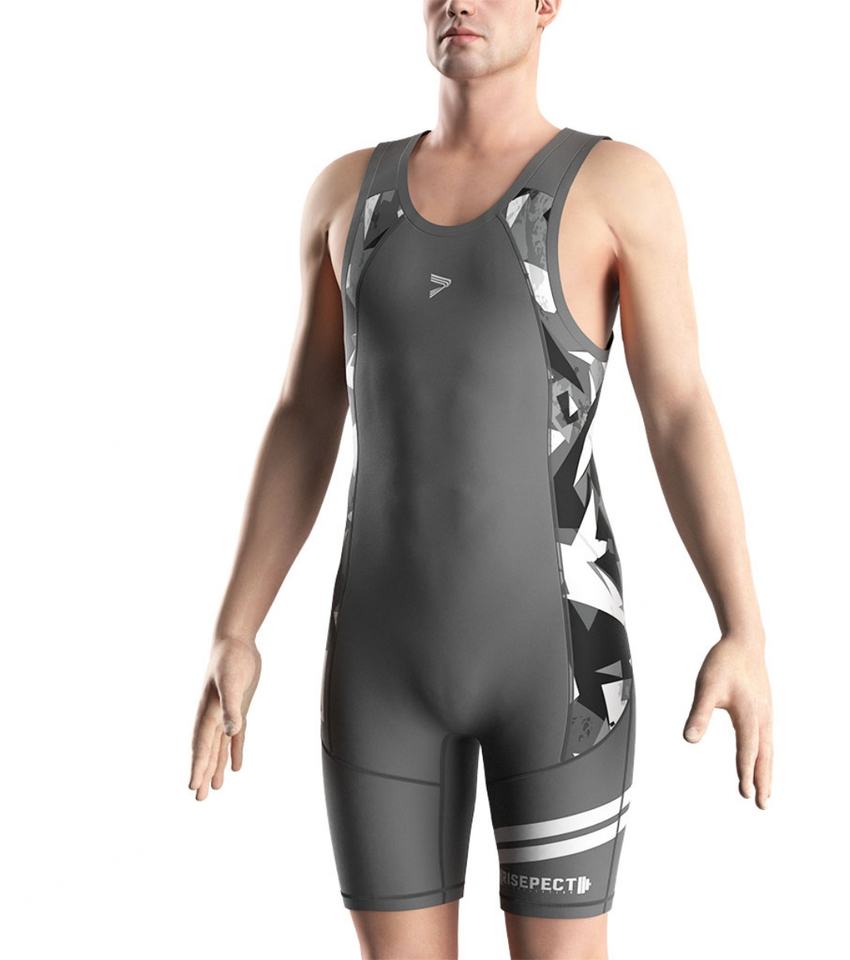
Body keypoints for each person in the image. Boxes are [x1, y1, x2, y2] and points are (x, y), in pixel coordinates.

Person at [188, 1, 774, 957]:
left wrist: (742, 626)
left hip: (562, 677)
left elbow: (678, 412)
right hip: (378, 672)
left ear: (548, 5)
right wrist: (236, 627)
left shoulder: (617, 185)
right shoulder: (346, 195)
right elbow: (304, 413)